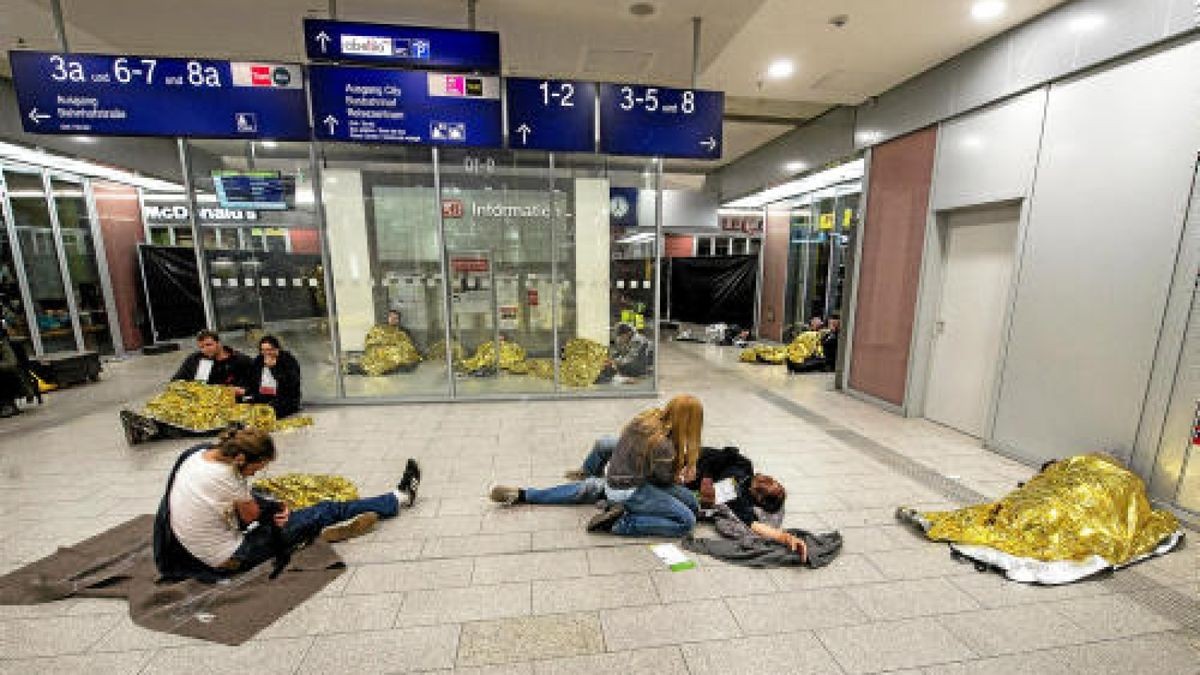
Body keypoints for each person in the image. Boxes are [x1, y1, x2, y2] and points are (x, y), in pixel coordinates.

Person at [154, 426, 422, 581]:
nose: (256, 473)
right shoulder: (228, 477)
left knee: (276, 504)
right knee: (324, 509)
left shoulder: (197, 454)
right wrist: (274, 511)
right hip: (231, 557)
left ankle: (312, 532)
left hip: (190, 548)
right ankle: (399, 498)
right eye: (257, 468)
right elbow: (252, 518)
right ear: (240, 460)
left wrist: (267, 506)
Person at [489, 394, 704, 538]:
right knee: (686, 520)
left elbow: (626, 447)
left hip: (616, 478)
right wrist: (680, 475)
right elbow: (662, 481)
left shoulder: (647, 418)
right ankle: (620, 523)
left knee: (692, 504)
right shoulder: (664, 446)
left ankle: (524, 494)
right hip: (631, 491)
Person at [172, 329, 254, 394]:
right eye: (201, 347)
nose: (205, 349)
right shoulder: (194, 359)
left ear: (219, 343)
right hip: (204, 403)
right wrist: (192, 389)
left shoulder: (240, 360)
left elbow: (259, 381)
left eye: (208, 345)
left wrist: (244, 391)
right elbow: (176, 382)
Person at [245, 335, 302, 419]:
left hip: (285, 399)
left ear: (276, 349)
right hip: (264, 396)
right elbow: (253, 381)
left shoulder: (288, 360)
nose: (266, 353)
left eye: (269, 350)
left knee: (265, 413)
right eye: (263, 350)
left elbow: (291, 384)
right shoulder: (259, 360)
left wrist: (273, 368)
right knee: (246, 409)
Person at [0, 323, 35, 418]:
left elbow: (11, 364)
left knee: (5, 375)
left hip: (12, 376)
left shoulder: (4, 344)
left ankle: (7, 404)